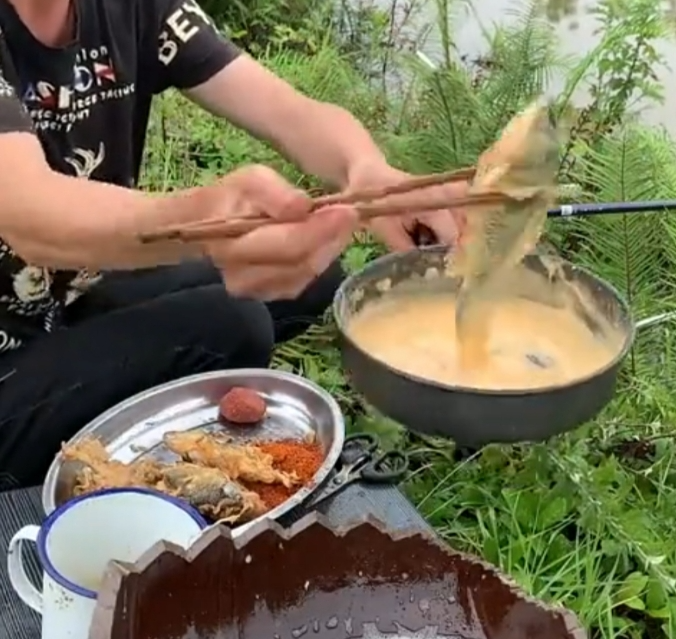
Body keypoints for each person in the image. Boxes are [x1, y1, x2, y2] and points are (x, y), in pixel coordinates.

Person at [0, 0, 467, 489]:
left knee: (315, 275)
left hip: (67, 296)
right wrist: (203, 219)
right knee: (229, 326)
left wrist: (369, 175)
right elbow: (35, 218)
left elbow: (286, 112)